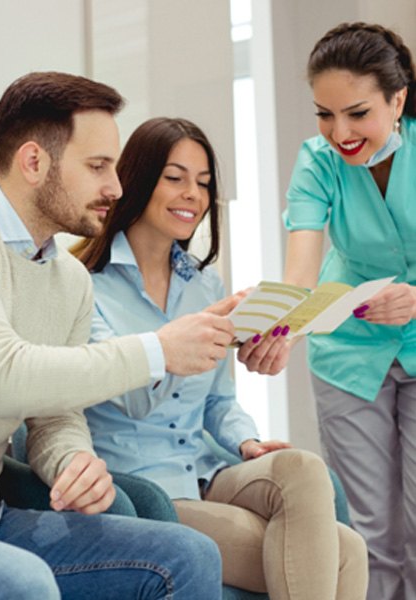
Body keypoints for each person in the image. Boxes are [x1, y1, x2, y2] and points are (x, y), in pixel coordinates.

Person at [0, 71, 233, 599]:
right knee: (22, 584)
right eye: (97, 167)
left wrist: (71, 459)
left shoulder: (68, 279)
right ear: (33, 162)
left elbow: (53, 414)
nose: (115, 188)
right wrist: (157, 350)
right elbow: (4, 377)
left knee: (186, 555)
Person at [72, 116, 368, 600]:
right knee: (345, 553)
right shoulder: (85, 284)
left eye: (204, 183)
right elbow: (131, 401)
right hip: (145, 488)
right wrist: (185, 338)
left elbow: (219, 402)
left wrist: (246, 441)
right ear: (138, 179)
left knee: (304, 469)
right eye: (175, 178)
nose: (193, 193)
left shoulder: (204, 284)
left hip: (208, 469)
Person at [282, 22, 416, 600]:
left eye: (357, 113)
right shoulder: (317, 161)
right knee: (371, 534)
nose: (339, 133)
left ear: (398, 99)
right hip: (347, 351)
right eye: (324, 114)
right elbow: (299, 276)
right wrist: (277, 331)